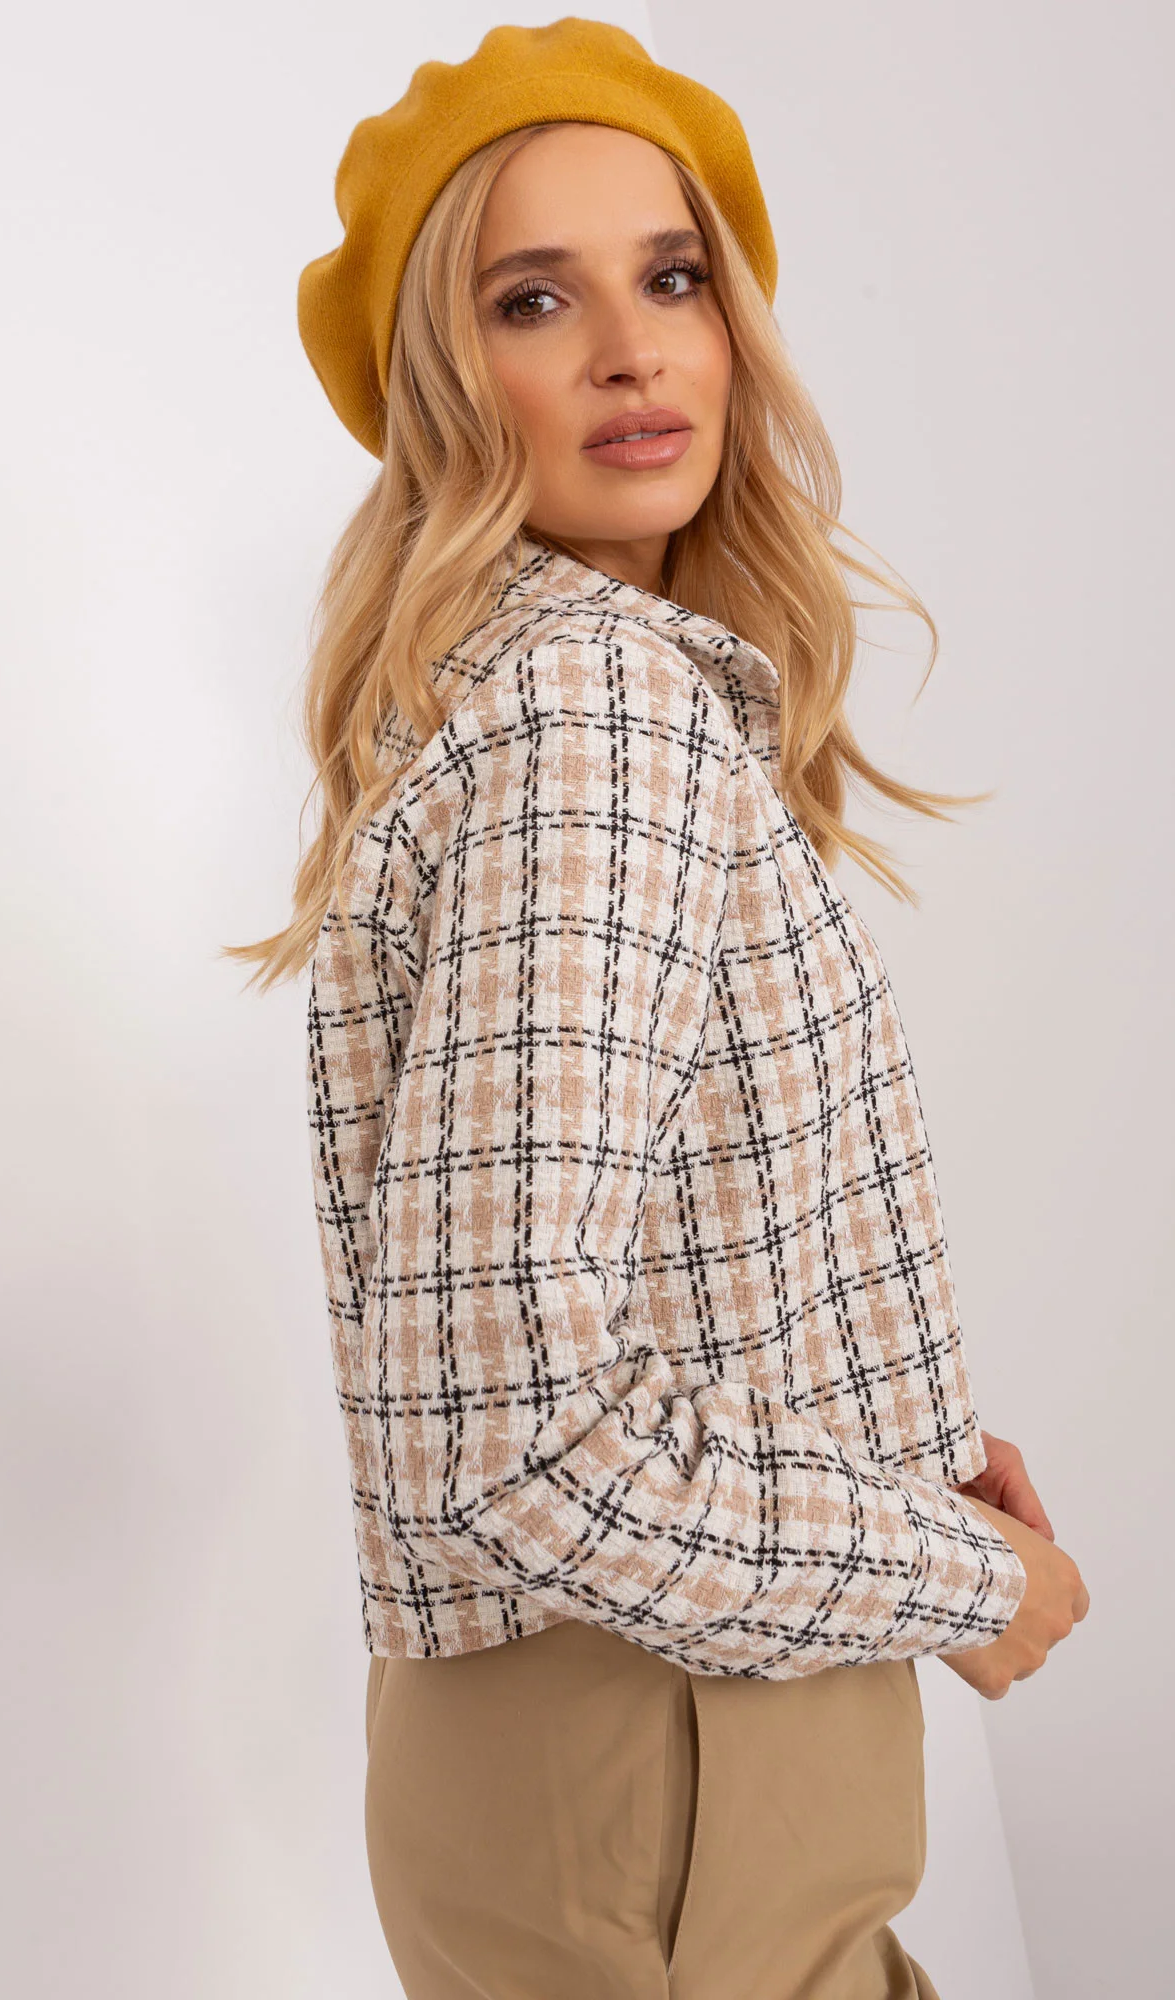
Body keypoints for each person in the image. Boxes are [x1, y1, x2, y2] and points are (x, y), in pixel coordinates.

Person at [229, 19, 1090, 1999]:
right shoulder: (598, 715)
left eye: (672, 276)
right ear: (447, 386)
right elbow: (516, 1438)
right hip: (662, 1742)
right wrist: (960, 1573)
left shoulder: (524, 695)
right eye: (535, 300)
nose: (632, 351)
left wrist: (887, 1453)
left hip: (605, 1754)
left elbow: (597, 1292)